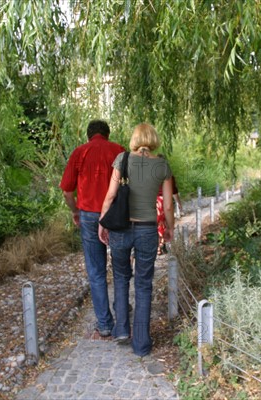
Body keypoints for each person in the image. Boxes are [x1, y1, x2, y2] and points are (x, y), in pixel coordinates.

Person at [98, 123, 174, 357]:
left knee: (120, 277)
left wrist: (102, 222)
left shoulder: (122, 159)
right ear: (153, 139)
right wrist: (169, 228)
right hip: (147, 230)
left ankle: (121, 329)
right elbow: (168, 205)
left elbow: (111, 195)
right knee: (143, 283)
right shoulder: (162, 165)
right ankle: (141, 344)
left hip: (121, 229)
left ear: (134, 139)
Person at [59, 120, 125, 337]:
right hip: (115, 215)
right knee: (120, 266)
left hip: (88, 215)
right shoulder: (119, 151)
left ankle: (104, 324)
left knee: (96, 270)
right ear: (107, 133)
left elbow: (67, 192)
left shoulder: (80, 152)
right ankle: (123, 318)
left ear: (89, 135)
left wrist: (75, 211)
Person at [156, 173, 181, 255]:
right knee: (164, 223)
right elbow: (174, 191)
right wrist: (179, 203)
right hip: (165, 200)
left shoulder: (148, 173)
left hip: (154, 201)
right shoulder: (168, 175)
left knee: (157, 224)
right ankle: (161, 244)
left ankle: (159, 245)